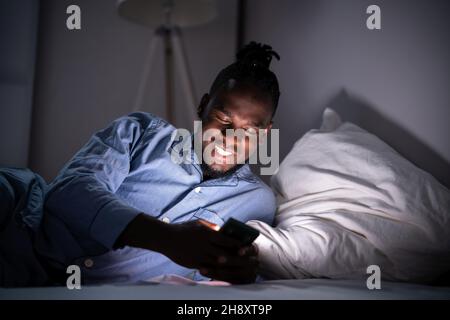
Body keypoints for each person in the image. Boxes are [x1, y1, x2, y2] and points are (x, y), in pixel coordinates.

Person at [35, 42, 281, 285]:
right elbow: (67, 191)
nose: (230, 138)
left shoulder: (258, 201)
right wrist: (167, 239)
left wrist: (244, 274)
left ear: (266, 134)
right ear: (203, 105)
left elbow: (236, 265)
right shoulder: (141, 132)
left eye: (249, 131)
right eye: (222, 118)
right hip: (22, 239)